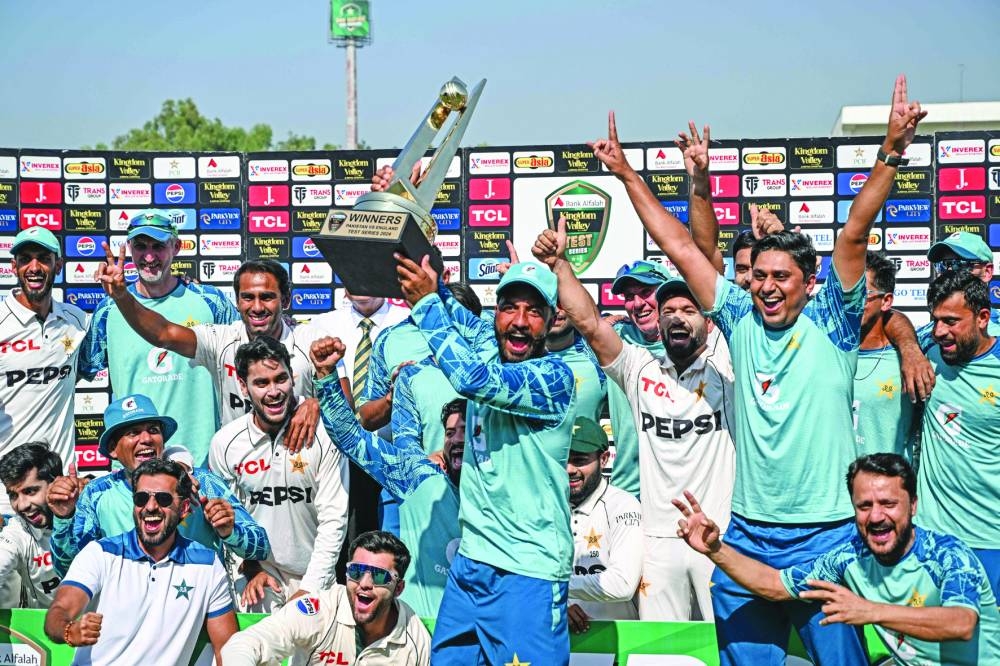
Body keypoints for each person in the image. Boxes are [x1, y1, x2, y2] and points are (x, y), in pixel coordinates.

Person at [588, 74, 926, 664]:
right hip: (746, 535)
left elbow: (853, 231)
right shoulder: (740, 317)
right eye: (760, 275)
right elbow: (682, 248)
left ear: (810, 283)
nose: (768, 287)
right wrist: (626, 175)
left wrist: (890, 150)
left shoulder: (834, 321)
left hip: (825, 534)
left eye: (782, 277)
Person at [534, 225, 735, 622]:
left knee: (726, 645)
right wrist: (559, 266)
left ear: (709, 322)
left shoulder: (724, 365)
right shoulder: (640, 369)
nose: (677, 318)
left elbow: (710, 263)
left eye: (689, 310)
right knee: (662, 651)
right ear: (658, 324)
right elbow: (590, 324)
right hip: (658, 539)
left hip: (720, 532)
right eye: (669, 312)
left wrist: (699, 180)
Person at [395, 255, 576, 665]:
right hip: (471, 564)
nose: (519, 321)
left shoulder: (554, 378)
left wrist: (425, 304)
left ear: (551, 321)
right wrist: (407, 212)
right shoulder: (489, 345)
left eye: (534, 311)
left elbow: (470, 379)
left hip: (527, 571)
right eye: (510, 306)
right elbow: (444, 300)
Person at [674, 453, 1000, 665]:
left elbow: (961, 623)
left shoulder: (947, 554)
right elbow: (774, 585)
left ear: (913, 505)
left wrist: (870, 611)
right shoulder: (847, 558)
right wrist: (715, 549)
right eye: (864, 506)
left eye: (888, 503)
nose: (876, 517)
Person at [93, 251, 319, 450]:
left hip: (298, 463)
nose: (257, 307)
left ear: (286, 299)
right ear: (237, 302)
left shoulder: (311, 341)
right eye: (248, 298)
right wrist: (122, 297)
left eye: (267, 297)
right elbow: (164, 333)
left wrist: (315, 404)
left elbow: (343, 409)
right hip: (238, 469)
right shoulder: (221, 340)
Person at [312, 334, 464, 618]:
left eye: (467, 431)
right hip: (418, 638)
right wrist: (326, 375)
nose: (456, 439)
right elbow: (350, 436)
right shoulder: (419, 477)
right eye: (450, 433)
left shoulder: (505, 488)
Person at [79, 209, 240, 466]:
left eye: (158, 246)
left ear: (176, 247)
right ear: (129, 248)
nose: (149, 256)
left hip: (204, 463)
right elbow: (69, 374)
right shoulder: (108, 310)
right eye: (141, 246)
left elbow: (250, 358)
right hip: (136, 469)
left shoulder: (211, 302)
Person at [47, 393, 270, 577]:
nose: (146, 439)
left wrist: (230, 532)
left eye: (153, 430)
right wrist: (63, 518)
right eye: (133, 433)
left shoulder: (203, 483)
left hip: (198, 615)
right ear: (114, 449)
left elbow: (260, 547)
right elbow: (68, 570)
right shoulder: (97, 493)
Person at [44, 458, 237, 666]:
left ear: (184, 508)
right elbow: (58, 612)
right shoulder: (100, 553)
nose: (150, 507)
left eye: (163, 499)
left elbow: (227, 650)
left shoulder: (207, 565)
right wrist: (69, 631)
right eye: (141, 498)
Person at [209, 335, 349, 610]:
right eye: (261, 383)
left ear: (293, 378)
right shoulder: (225, 443)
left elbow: (334, 519)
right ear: (243, 386)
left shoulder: (324, 434)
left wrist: (309, 588)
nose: (274, 391)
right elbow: (227, 522)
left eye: (280, 379)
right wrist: (249, 568)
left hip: (315, 575)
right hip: (258, 576)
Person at [221, 530, 431, 666]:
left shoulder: (416, 640)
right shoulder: (319, 608)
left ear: (399, 588)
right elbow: (244, 644)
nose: (365, 583)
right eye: (356, 571)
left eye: (378, 576)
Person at [916, 270, 1000, 599]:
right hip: (931, 537)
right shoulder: (928, 353)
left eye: (951, 321)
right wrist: (910, 350)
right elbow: (892, 323)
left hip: (990, 539)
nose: (940, 331)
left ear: (982, 317)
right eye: (935, 320)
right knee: (924, 647)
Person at [0, 227, 88, 512]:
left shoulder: (77, 320)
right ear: (14, 266)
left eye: (43, 258)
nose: (34, 267)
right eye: (25, 259)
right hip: (7, 490)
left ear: (58, 265)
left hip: (59, 488)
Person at [566, 417, 642, 633]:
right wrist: (559, 604)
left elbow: (622, 584)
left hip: (617, 644)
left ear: (604, 459)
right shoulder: (545, 507)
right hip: (562, 644)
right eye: (564, 459)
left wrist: (555, 588)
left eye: (580, 460)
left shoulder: (624, 505)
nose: (569, 469)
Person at [854, 252, 917, 458]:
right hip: (834, 487)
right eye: (846, 291)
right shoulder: (826, 346)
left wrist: (910, 348)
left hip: (887, 487)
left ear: (886, 301)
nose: (850, 300)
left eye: (861, 292)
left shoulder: (910, 362)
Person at [0, 442, 63, 607]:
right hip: (50, 628)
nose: (22, 505)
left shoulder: (91, 512)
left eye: (30, 491)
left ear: (55, 483)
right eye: (13, 495)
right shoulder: (18, 530)